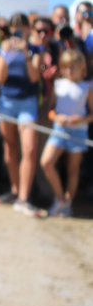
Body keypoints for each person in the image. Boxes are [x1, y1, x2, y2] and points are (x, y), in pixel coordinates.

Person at [0, 12, 46, 217]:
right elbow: (0, 78)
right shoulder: (1, 50)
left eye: (21, 28)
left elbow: (34, 77)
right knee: (10, 148)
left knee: (30, 149)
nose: (17, 32)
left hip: (28, 103)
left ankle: (24, 198)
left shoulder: (36, 50)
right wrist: (5, 54)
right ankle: (15, 192)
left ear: (27, 29)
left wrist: (25, 54)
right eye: (14, 28)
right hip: (6, 103)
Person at [41, 49, 91, 218]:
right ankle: (61, 199)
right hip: (59, 130)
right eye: (66, 67)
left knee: (73, 169)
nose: (69, 71)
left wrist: (81, 120)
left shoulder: (87, 87)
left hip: (79, 132)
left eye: (73, 67)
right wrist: (57, 117)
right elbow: (50, 111)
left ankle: (67, 204)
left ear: (82, 68)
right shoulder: (59, 85)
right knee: (46, 162)